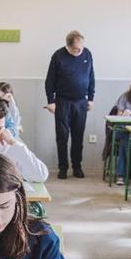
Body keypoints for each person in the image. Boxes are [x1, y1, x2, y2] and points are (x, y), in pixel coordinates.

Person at [44, 30, 95, 179]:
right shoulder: (58, 56)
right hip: (62, 101)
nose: (79, 51)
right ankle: (63, 168)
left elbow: (91, 76)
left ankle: (77, 166)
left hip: (81, 102)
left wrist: (90, 98)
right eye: (76, 49)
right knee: (62, 136)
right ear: (68, 46)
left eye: (81, 48)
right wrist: (50, 101)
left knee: (78, 136)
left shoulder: (87, 54)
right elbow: (50, 81)